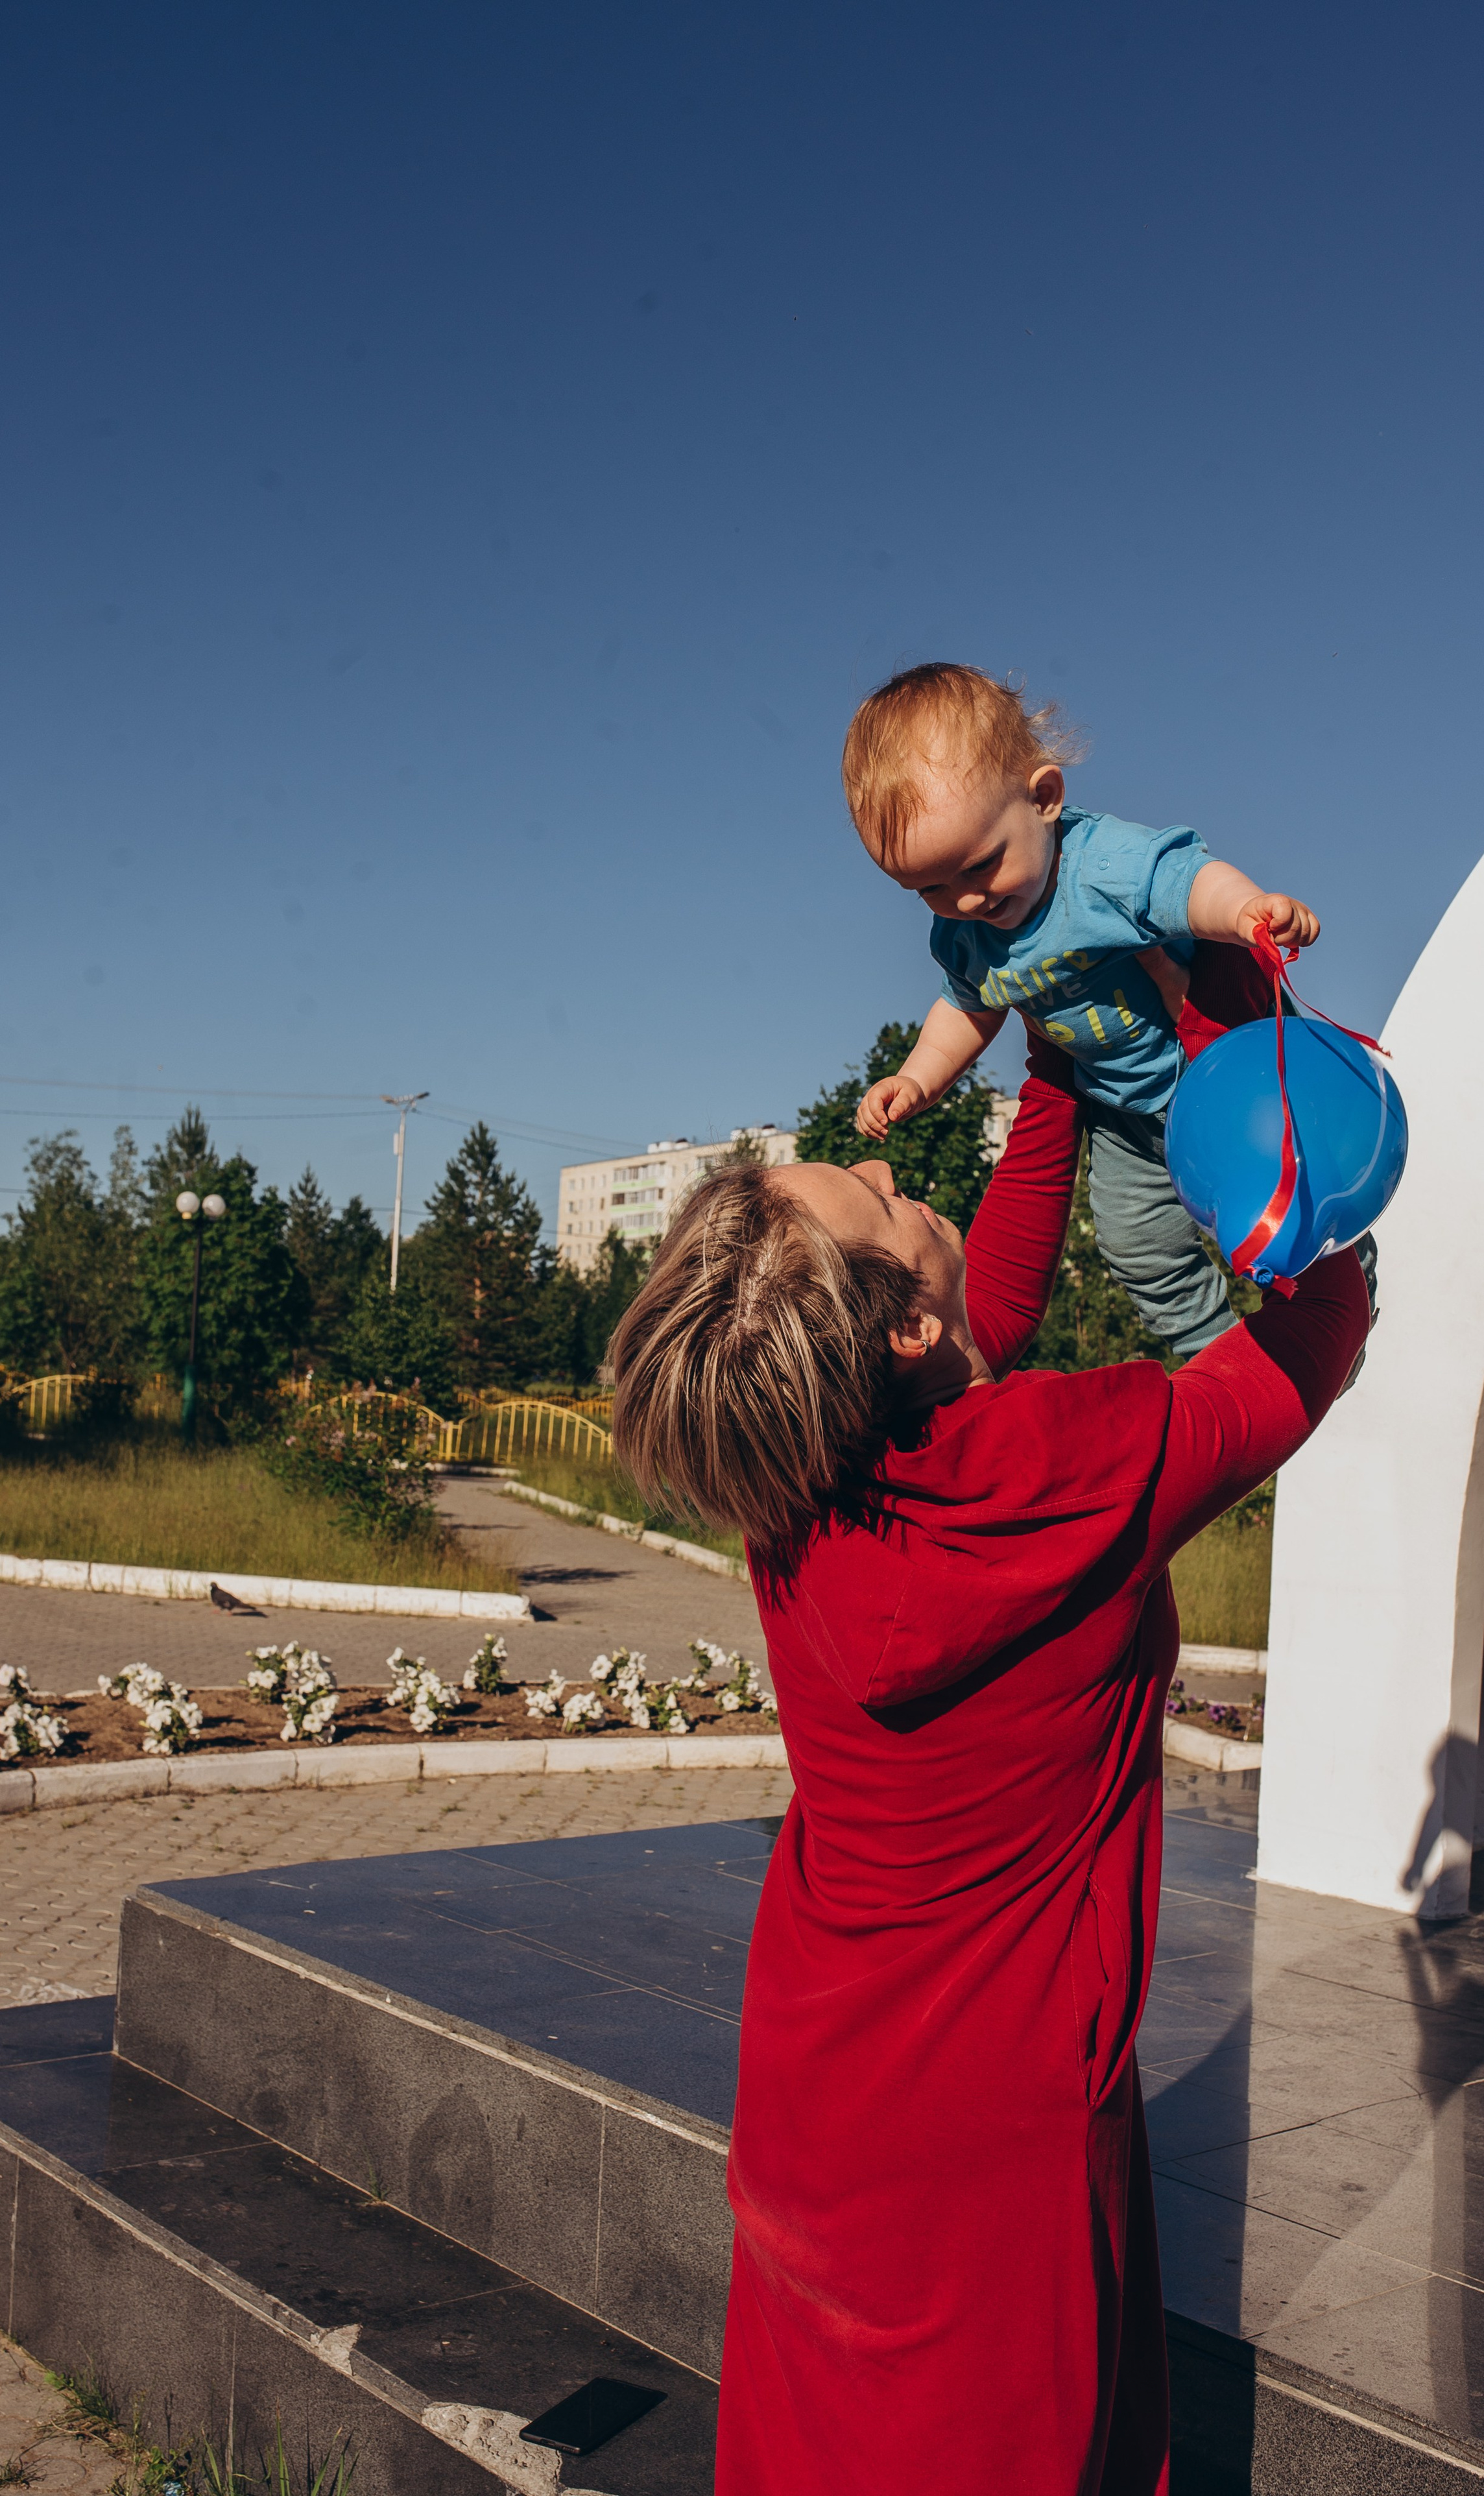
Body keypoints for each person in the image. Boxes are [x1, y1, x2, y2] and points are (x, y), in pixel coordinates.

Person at [610, 1036, 1369, 2495]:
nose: (895, 1170)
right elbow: (1306, 1345)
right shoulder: (1057, 1467)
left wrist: (1058, 1067)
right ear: (891, 1327)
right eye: (875, 1196)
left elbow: (977, 1324)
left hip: (816, 2089)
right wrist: (1256, 1092)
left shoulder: (795, 1483)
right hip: (990, 2125)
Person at [841, 662, 1321, 1353]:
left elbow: (1184, 880)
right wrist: (917, 1077)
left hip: (1217, 1084)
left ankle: (1337, 1287)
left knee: (1277, 1208)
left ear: (1043, 798)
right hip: (1124, 1116)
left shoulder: (1103, 868)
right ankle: (1222, 1355)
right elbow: (968, 1006)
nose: (966, 900)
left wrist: (1245, 909)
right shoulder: (966, 932)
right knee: (1137, 1247)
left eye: (979, 865)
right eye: (930, 889)